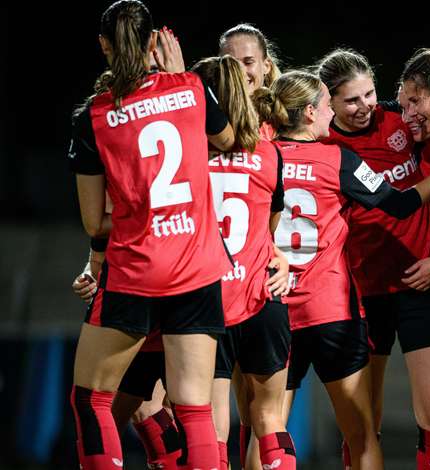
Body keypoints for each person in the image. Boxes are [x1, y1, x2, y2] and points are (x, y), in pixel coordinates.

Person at [67, 1, 236, 468]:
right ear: (153, 44)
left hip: (136, 271)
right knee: (194, 408)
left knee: (92, 402)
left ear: (103, 46)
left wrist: (138, 217)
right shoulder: (193, 88)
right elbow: (226, 140)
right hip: (198, 266)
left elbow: (92, 222)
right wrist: (180, 75)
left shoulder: (94, 117)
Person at [252, 69, 430, 470]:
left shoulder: (259, 155)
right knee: (361, 433)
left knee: (268, 429)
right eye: (328, 105)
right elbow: (399, 204)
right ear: (309, 112)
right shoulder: (337, 157)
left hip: (274, 310)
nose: (332, 115)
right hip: (331, 311)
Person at [315, 50, 430, 465]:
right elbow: (399, 204)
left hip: (417, 281)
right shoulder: (323, 143)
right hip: (362, 289)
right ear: (328, 102)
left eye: (370, 93)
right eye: (351, 100)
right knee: (363, 421)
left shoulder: (397, 118)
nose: (364, 106)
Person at [192, 55, 293, 470]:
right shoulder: (270, 153)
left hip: (206, 300)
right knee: (269, 420)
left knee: (212, 429)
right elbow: (268, 231)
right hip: (261, 295)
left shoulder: (189, 153)